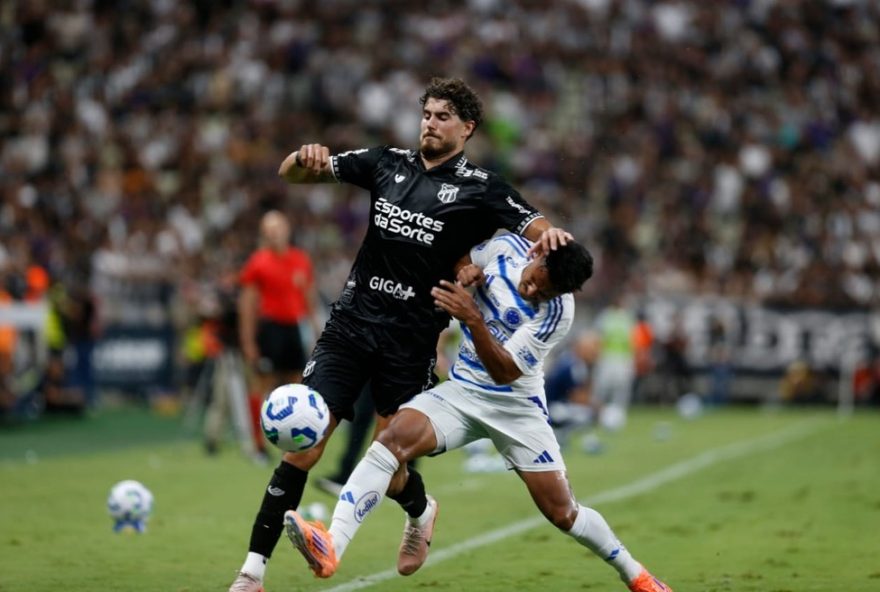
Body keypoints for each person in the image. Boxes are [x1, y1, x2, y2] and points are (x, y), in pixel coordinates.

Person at [228, 77, 571, 592]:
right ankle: (252, 573)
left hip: (409, 342)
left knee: (388, 465)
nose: (429, 123)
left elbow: (534, 224)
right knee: (305, 446)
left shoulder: (482, 187)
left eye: (442, 117)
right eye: (426, 114)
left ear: (466, 127)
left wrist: (553, 237)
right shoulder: (386, 162)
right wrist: (303, 158)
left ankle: (420, 510)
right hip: (349, 327)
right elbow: (294, 174)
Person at [283, 236, 672, 592]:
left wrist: (472, 317)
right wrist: (466, 269)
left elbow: (504, 371)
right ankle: (331, 544)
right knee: (390, 442)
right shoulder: (504, 246)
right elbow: (461, 258)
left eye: (546, 291)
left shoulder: (558, 311)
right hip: (462, 392)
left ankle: (635, 574)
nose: (534, 290)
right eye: (538, 279)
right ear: (536, 255)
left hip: (515, 409)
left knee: (561, 512)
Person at [237, 210, 321, 463]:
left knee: (298, 385)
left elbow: (309, 300)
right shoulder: (258, 262)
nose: (274, 233)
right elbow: (248, 305)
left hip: (294, 329)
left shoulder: (301, 260)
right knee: (262, 384)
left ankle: (295, 441)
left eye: (277, 227)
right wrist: (249, 342)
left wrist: (319, 333)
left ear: (287, 229)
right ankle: (258, 445)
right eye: (268, 228)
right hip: (269, 328)